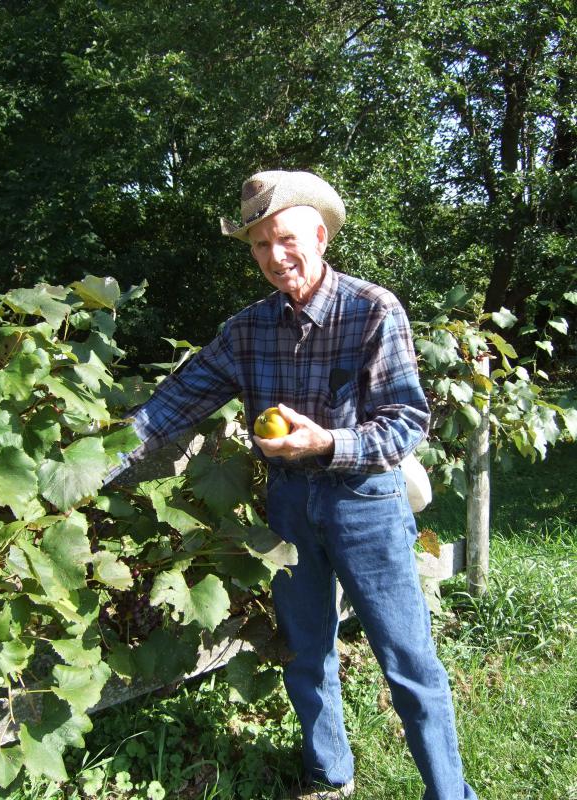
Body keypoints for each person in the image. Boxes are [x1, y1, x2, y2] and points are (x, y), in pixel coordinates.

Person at [111, 170, 478, 800]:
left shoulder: (372, 309)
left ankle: (450, 793)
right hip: (286, 503)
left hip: (365, 500)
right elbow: (175, 402)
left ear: (319, 233)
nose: (275, 256)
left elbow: (406, 422)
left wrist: (328, 442)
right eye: (259, 245)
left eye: (285, 239)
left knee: (409, 662)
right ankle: (327, 772)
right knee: (306, 652)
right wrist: (100, 457)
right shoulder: (248, 329)